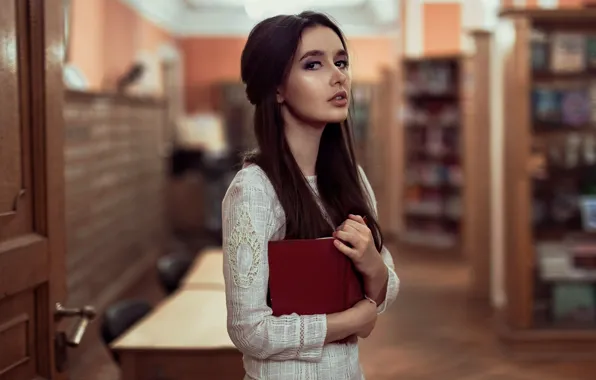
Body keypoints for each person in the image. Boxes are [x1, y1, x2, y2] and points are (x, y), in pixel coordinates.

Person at [221, 10, 400, 380]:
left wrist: (372, 264)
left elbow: (387, 285)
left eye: (341, 61)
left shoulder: (352, 179)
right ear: (277, 88)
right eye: (314, 64)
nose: (339, 76)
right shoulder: (254, 190)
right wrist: (350, 320)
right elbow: (248, 331)